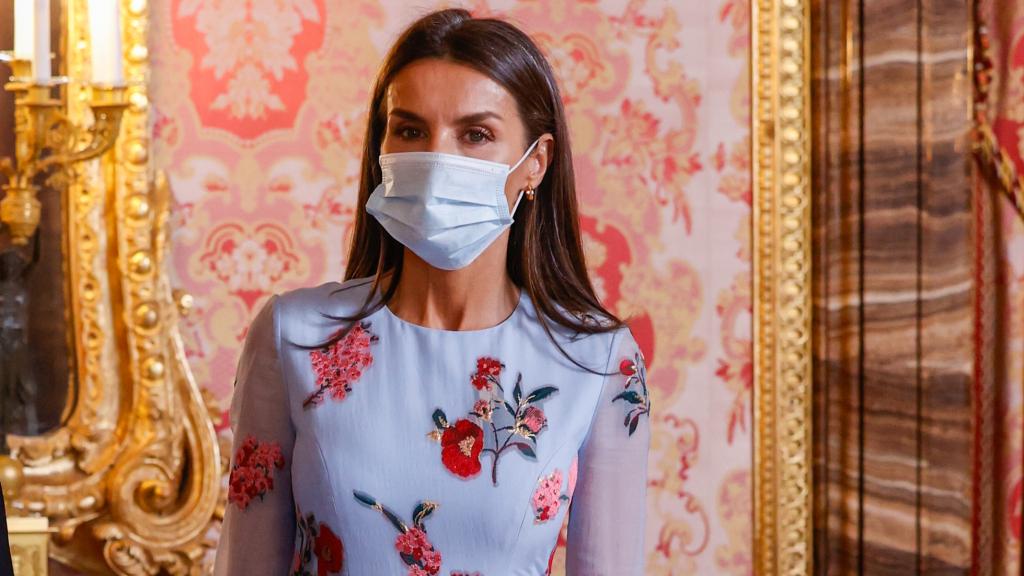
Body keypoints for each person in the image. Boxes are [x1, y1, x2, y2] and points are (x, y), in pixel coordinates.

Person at [214, 8, 650, 576]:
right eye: (411, 130)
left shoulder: (596, 360)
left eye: (476, 135)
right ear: (382, 148)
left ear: (535, 163)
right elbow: (246, 562)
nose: (438, 159)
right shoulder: (292, 336)